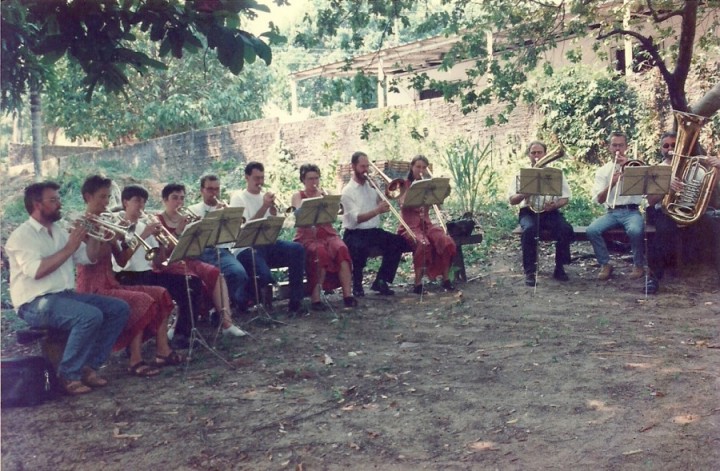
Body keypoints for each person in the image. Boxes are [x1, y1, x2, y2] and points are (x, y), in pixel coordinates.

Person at [6, 181, 130, 395]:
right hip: (35, 303)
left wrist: (94, 233)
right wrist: (70, 246)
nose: (59, 204)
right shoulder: (22, 236)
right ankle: (68, 374)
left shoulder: (60, 231)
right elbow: (36, 271)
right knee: (89, 316)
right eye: (53, 200)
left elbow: (89, 258)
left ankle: (88, 366)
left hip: (64, 297)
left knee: (119, 309)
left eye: (58, 199)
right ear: (37, 204)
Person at [74, 175, 180, 378]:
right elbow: (90, 259)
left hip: (111, 282)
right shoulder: (79, 225)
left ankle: (162, 351)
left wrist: (124, 239)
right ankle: (135, 360)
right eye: (102, 197)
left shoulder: (106, 221)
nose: (106, 202)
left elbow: (121, 260)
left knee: (161, 293)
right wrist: (100, 233)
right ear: (88, 197)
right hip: (92, 287)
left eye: (107, 197)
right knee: (141, 300)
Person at [156, 183, 246, 337]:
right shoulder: (157, 221)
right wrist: (178, 231)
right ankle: (176, 326)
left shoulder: (186, 217)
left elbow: (197, 247)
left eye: (182, 198)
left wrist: (199, 229)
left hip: (189, 260)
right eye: (174, 198)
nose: (179, 202)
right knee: (191, 282)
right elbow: (161, 254)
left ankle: (227, 324)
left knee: (216, 274)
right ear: (165, 200)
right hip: (167, 264)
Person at [646, 132, 720, 293]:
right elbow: (651, 201)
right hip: (665, 211)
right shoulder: (656, 170)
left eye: (674, 144)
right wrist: (665, 186)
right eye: (666, 145)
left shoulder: (694, 166)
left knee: (715, 227)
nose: (670, 148)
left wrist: (717, 167)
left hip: (691, 211)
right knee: (663, 232)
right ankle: (654, 278)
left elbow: (711, 186)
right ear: (661, 148)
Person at [230, 163, 307, 314]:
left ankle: (296, 302)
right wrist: (264, 207)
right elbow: (245, 228)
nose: (260, 182)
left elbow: (275, 226)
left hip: (266, 244)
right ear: (246, 178)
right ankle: (242, 300)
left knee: (297, 249)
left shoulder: (264, 197)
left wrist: (272, 210)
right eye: (256, 178)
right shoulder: (238, 198)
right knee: (265, 276)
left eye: (262, 178)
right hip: (246, 248)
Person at [340, 151, 410, 297]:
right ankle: (357, 284)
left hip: (372, 230)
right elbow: (356, 219)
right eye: (362, 166)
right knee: (358, 248)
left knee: (398, 242)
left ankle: (381, 281)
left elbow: (381, 202)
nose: (365, 170)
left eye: (367, 166)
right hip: (354, 232)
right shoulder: (347, 191)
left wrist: (385, 192)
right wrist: (377, 210)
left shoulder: (371, 186)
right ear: (353, 166)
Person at [291, 164, 357, 309]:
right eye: (310, 179)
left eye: (316, 178)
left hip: (327, 232)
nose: (314, 182)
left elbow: (335, 212)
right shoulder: (298, 196)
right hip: (307, 235)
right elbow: (298, 215)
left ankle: (348, 295)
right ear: (303, 180)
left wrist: (326, 199)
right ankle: (316, 298)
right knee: (319, 252)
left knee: (341, 249)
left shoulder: (325, 193)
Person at [508, 141, 574, 286]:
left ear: (546, 154)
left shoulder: (555, 174)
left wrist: (554, 205)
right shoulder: (520, 175)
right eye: (533, 153)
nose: (537, 156)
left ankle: (560, 267)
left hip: (550, 212)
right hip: (528, 212)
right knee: (529, 230)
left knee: (565, 229)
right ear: (529, 155)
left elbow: (565, 198)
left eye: (540, 153)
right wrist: (525, 193)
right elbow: (512, 200)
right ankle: (530, 272)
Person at [186, 176, 252, 317]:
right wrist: (214, 214)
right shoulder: (192, 210)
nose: (214, 193)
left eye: (217, 189)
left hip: (222, 251)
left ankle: (218, 309)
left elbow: (236, 233)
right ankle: (210, 308)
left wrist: (230, 217)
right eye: (210, 189)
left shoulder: (227, 209)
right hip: (200, 252)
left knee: (239, 274)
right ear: (201, 191)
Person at [586, 132, 646, 281]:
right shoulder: (603, 171)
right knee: (592, 230)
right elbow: (599, 199)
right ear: (609, 147)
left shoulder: (636, 166)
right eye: (614, 145)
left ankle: (638, 265)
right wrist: (611, 183)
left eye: (621, 145)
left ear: (626, 147)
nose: (617, 148)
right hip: (612, 213)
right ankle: (605, 264)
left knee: (636, 230)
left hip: (632, 211)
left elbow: (646, 190)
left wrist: (630, 169)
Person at [398, 155, 457, 294]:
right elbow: (401, 203)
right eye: (418, 167)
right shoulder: (403, 185)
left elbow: (437, 202)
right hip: (409, 226)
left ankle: (446, 279)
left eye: (424, 167)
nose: (421, 170)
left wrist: (440, 193)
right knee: (423, 243)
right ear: (411, 167)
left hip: (426, 224)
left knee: (446, 240)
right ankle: (418, 283)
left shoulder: (428, 185)